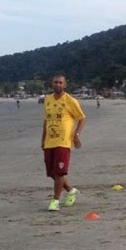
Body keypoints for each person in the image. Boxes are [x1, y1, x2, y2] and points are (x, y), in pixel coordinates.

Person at [42, 74, 86, 211]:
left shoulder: (70, 101)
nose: (58, 85)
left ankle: (55, 201)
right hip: (49, 142)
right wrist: (42, 139)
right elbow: (46, 121)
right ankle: (71, 190)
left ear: (65, 85)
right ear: (52, 83)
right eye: (56, 82)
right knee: (52, 173)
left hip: (63, 142)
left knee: (60, 173)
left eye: (61, 83)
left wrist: (76, 135)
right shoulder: (47, 100)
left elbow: (82, 118)